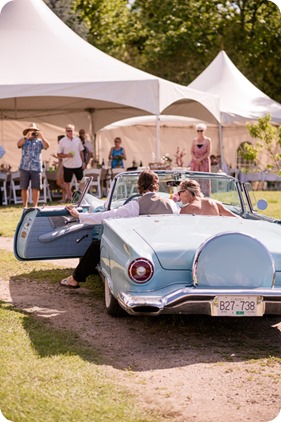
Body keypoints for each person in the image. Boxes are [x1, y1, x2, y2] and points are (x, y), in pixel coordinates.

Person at [60, 170, 179, 288]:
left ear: (140, 185)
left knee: (96, 246)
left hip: (141, 248)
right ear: (156, 186)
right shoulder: (171, 204)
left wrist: (80, 216)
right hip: (165, 247)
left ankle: (74, 279)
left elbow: (106, 216)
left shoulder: (135, 205)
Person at [17, 123, 50, 208]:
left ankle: (35, 206)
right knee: (24, 187)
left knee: (36, 187)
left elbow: (47, 146)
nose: (33, 133)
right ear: (27, 131)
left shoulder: (39, 141)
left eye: (34, 131)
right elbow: (18, 144)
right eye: (31, 131)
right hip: (24, 167)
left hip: (36, 167)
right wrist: (26, 137)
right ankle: (25, 206)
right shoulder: (24, 140)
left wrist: (42, 137)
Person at [57, 124, 86, 202]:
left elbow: (81, 152)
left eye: (71, 130)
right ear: (66, 132)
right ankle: (69, 197)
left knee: (81, 181)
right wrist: (67, 155)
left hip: (78, 164)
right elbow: (59, 154)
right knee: (67, 182)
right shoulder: (62, 141)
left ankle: (81, 197)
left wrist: (83, 162)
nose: (70, 132)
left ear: (74, 131)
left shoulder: (78, 140)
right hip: (67, 165)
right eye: (68, 130)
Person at [51, 135, 67, 202]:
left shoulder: (64, 147)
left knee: (59, 182)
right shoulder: (62, 147)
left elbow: (64, 157)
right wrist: (57, 162)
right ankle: (64, 199)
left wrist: (56, 157)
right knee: (62, 182)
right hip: (61, 166)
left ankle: (70, 194)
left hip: (63, 167)